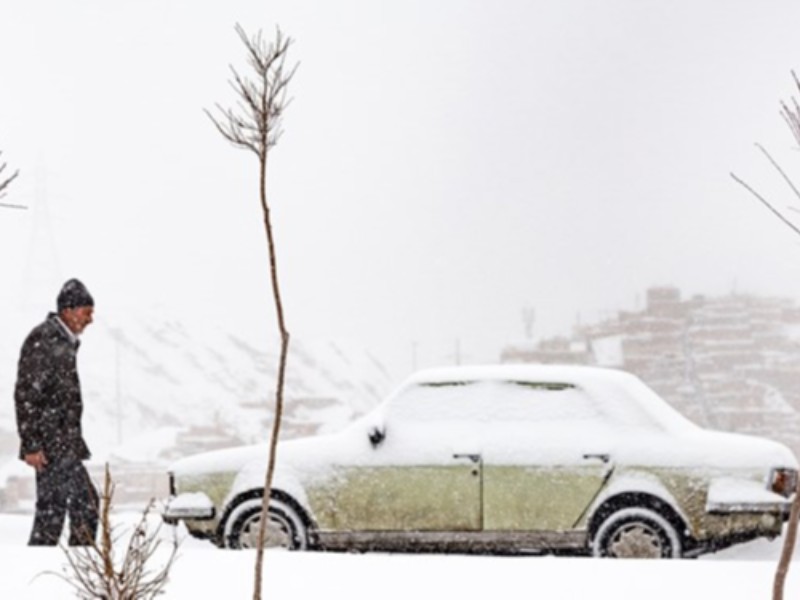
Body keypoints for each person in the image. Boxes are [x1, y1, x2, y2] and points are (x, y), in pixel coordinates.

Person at [14, 278, 98, 546]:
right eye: (87, 312)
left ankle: (69, 568)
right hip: (51, 444)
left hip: (62, 442)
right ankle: (75, 568)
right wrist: (31, 444)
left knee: (59, 511)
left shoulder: (62, 339)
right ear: (68, 310)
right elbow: (26, 393)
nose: (90, 320)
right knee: (77, 507)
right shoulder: (45, 338)